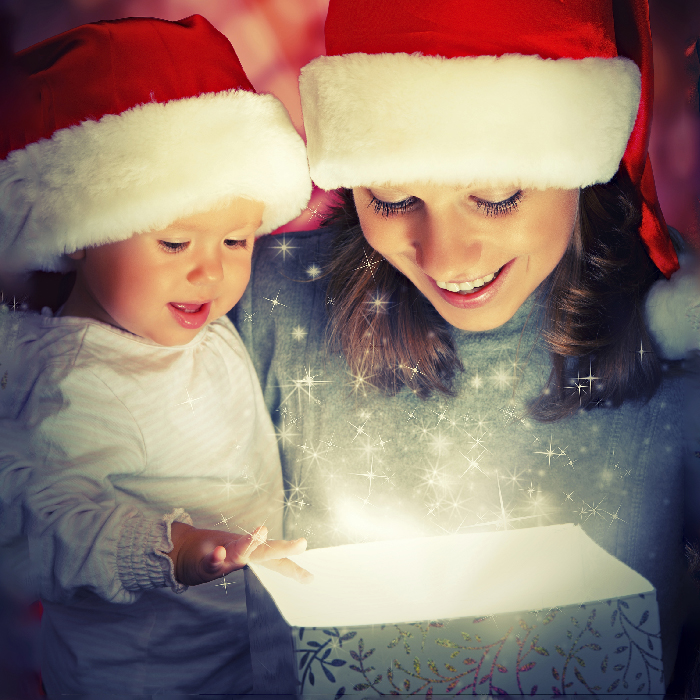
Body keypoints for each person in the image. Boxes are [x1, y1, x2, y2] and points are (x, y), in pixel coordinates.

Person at [232, 0, 698, 692]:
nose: (446, 258)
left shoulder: (682, 341)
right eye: (391, 198)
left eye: (497, 195)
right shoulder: (258, 302)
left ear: (585, 154)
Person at [0, 15, 312, 696]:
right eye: (175, 244)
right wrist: (175, 550)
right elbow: (46, 525)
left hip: (241, 659)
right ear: (82, 231)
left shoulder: (204, 329)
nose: (209, 273)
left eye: (236, 242)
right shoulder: (71, 381)